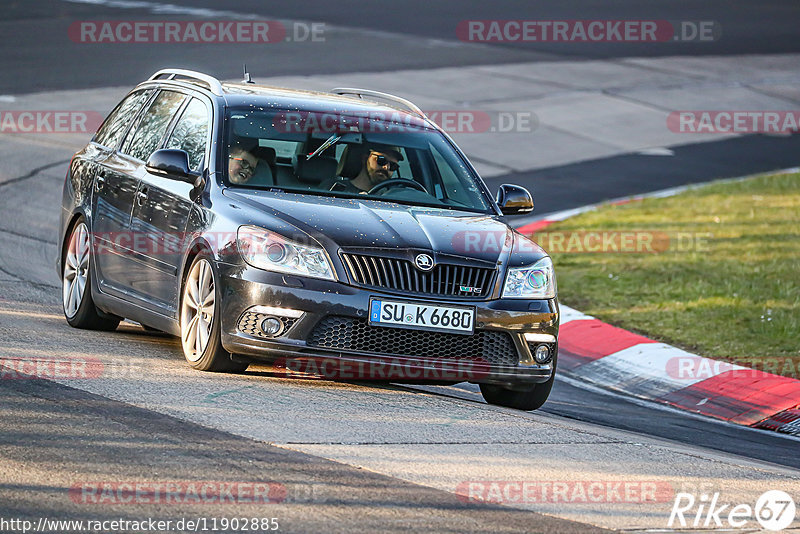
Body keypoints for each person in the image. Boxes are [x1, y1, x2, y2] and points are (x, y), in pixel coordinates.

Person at [323, 145, 403, 194]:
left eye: (393, 166)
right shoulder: (332, 188)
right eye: (381, 160)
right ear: (365, 158)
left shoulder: (393, 197)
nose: (386, 167)